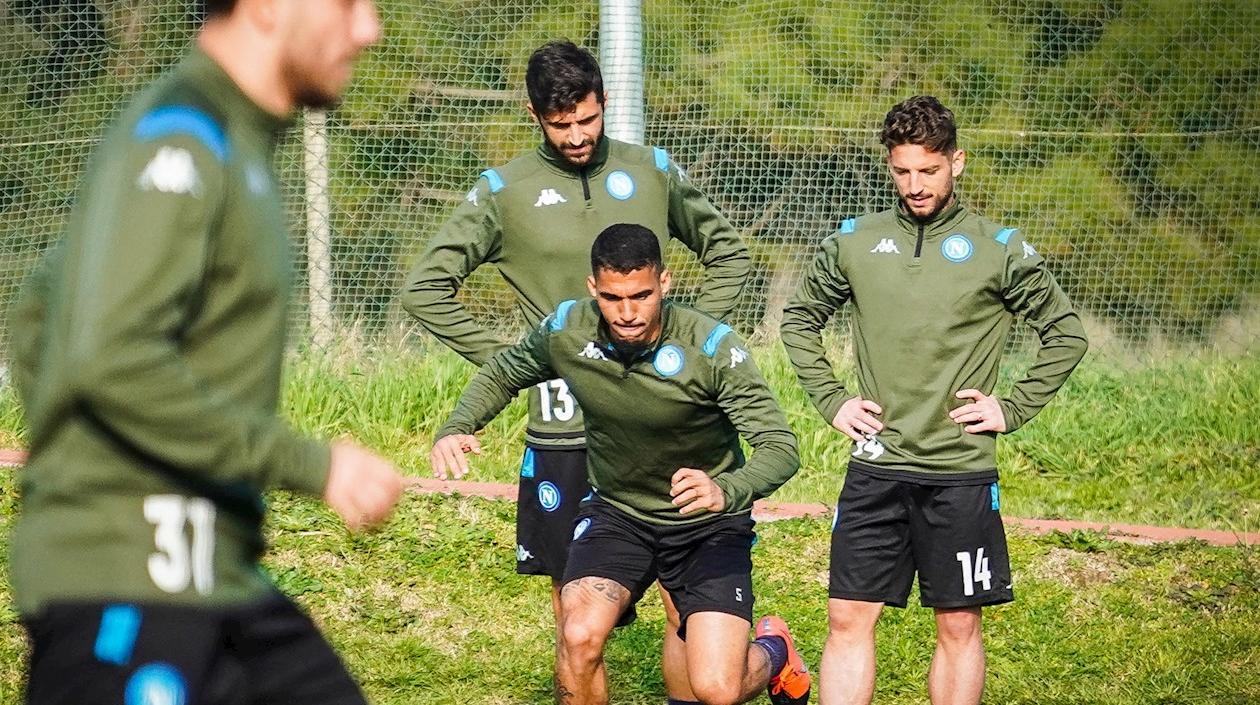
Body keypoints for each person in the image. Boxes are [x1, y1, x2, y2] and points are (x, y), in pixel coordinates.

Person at [7, 2, 404, 703]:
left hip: (212, 580)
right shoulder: (179, 141)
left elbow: (42, 313)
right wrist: (313, 464)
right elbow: (110, 356)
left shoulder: (231, 140)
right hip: (126, 584)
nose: (368, 28)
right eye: (346, 3)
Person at [401, 39, 750, 704]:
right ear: (535, 116)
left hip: (666, 430)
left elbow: (730, 255)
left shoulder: (651, 170)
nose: (578, 135)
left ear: (604, 103)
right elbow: (425, 288)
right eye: (561, 125)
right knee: (577, 626)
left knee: (685, 611)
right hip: (564, 439)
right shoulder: (504, 192)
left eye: (588, 119)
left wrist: (687, 346)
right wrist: (523, 365)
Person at [780, 95, 1089, 705]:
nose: (915, 185)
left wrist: (1013, 406)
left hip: (959, 471)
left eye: (929, 170)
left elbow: (1067, 333)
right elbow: (798, 320)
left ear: (957, 162)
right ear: (889, 167)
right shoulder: (855, 241)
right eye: (902, 171)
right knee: (848, 617)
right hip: (875, 464)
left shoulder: (997, 247)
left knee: (958, 623)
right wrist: (832, 399)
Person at [430, 224, 809, 705]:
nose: (627, 313)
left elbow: (780, 446)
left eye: (641, 296)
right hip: (618, 514)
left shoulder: (712, 349)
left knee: (717, 689)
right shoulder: (567, 330)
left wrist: (725, 489)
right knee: (579, 635)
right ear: (593, 289)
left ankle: (775, 652)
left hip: (706, 523)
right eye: (612, 298)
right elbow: (504, 371)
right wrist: (459, 424)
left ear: (665, 284)